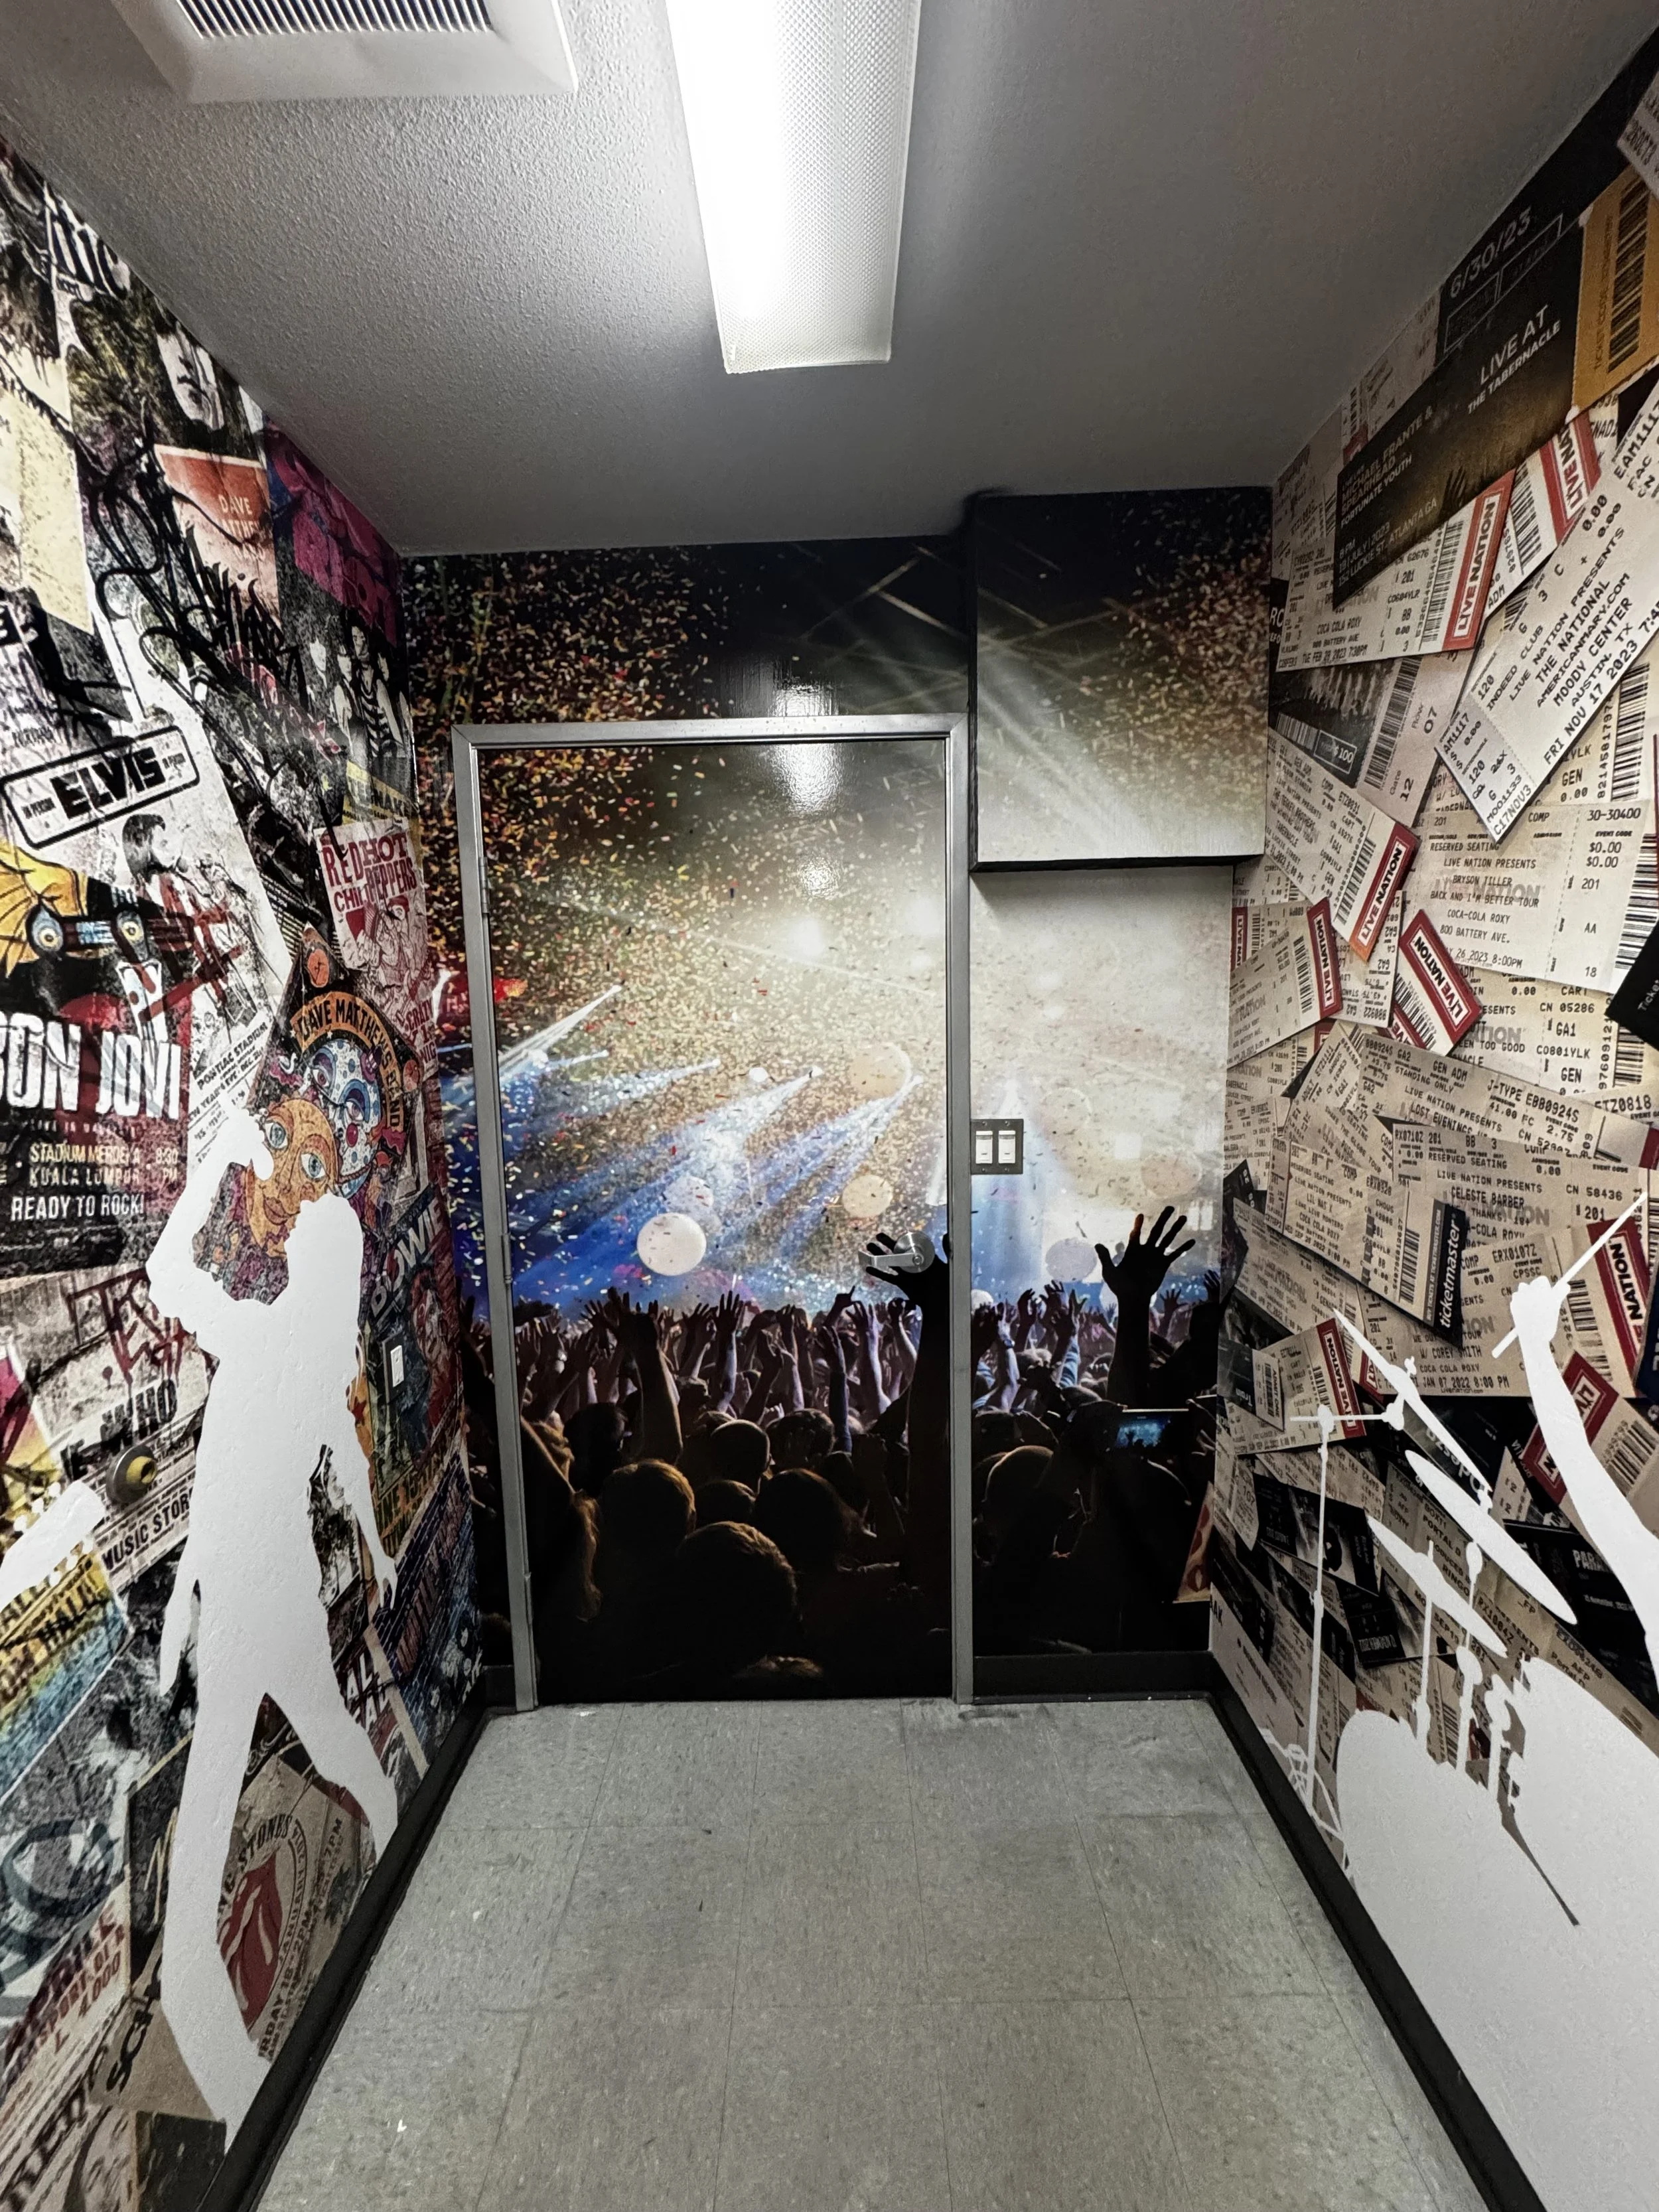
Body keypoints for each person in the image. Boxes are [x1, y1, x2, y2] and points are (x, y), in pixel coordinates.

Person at [147, 1108, 397, 2129]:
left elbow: (168, 1275)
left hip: (257, 1593)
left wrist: (219, 1157)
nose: (287, 1222)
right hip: (266, 1582)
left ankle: (234, 2074)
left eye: (303, 1227)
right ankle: (388, 1822)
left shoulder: (262, 1341)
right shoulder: (310, 1353)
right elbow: (343, 1452)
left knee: (227, 1796)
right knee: (332, 1735)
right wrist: (377, 1550)